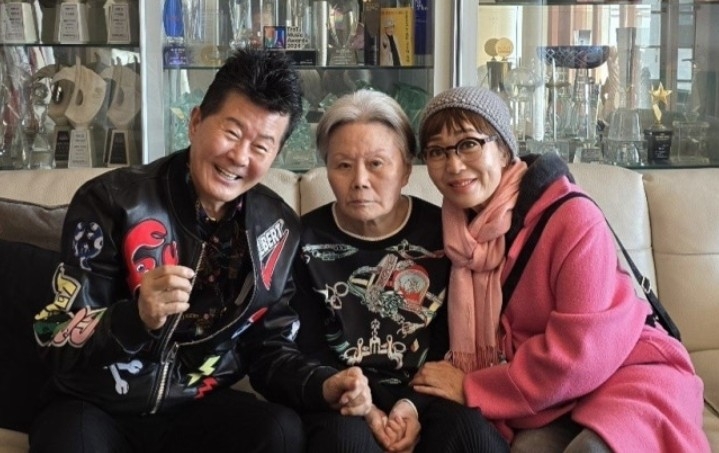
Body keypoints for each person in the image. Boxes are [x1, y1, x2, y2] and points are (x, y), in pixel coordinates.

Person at [29, 49, 372, 453]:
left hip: (193, 407)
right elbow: (53, 335)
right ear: (195, 122)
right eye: (232, 132)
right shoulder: (110, 200)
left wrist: (322, 384)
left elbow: (269, 350)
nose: (239, 157)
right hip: (94, 404)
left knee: (279, 431)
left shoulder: (277, 228)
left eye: (261, 146)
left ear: (275, 156)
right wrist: (135, 317)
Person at [409, 86, 710, 452]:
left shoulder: (572, 218)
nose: (454, 165)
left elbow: (581, 353)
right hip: (546, 394)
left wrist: (472, 387)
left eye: (469, 144)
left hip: (622, 371)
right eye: (437, 151)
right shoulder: (448, 233)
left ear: (503, 150)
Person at [290, 89, 508, 453]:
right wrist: (363, 406)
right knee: (345, 443)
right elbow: (308, 348)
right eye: (343, 165)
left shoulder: (447, 234)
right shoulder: (303, 240)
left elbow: (452, 343)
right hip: (342, 397)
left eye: (376, 164)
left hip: (427, 393)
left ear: (406, 169)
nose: (360, 180)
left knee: (471, 435)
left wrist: (411, 405)